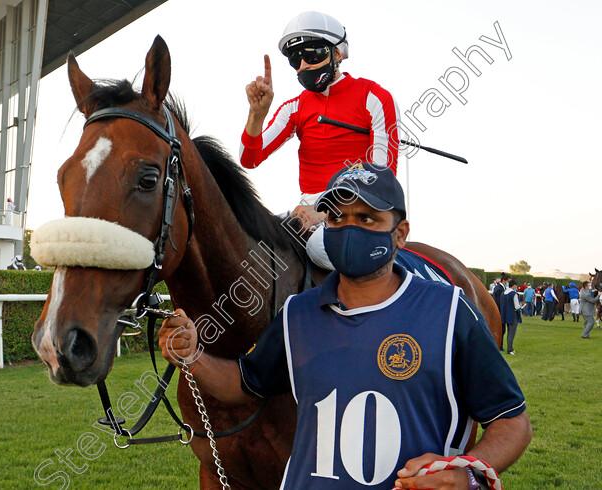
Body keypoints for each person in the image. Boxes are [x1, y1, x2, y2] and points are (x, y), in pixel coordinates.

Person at [158, 166, 531, 489]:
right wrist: (192, 355)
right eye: (337, 218)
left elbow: (512, 422)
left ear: (400, 234)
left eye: (367, 219)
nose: (349, 229)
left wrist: (468, 472)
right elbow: (244, 384)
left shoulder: (450, 311)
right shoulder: (296, 314)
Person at [240, 12, 401, 268]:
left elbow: (381, 178)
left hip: (361, 211)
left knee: (319, 246)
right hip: (308, 211)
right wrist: (256, 116)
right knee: (247, 239)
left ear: (337, 54)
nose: (303, 65)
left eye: (312, 54)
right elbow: (249, 159)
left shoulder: (375, 97)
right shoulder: (293, 108)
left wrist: (325, 212)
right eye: (295, 59)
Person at [500, 280, 523, 355]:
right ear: (514, 286)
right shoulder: (513, 294)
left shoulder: (503, 293)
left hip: (504, 315)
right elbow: (516, 306)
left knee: (506, 332)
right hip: (512, 315)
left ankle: (504, 347)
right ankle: (510, 349)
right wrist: (521, 305)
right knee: (511, 332)